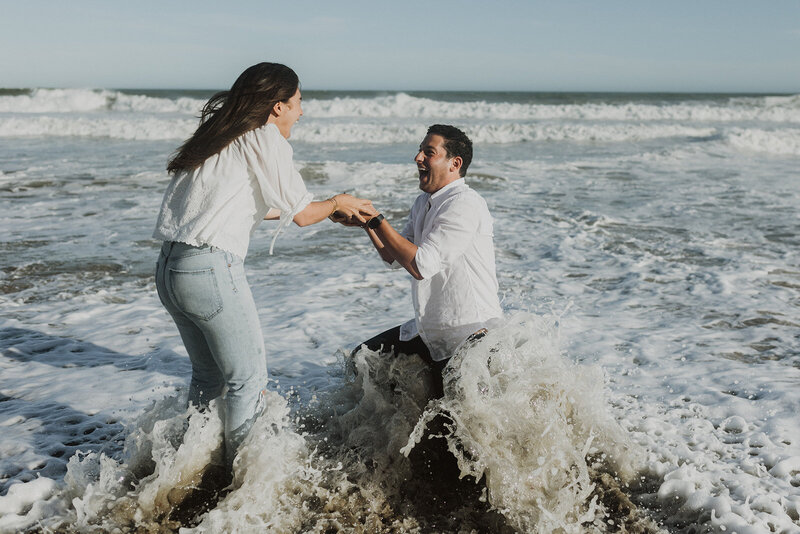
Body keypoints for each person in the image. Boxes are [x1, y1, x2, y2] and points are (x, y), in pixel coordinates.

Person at [153, 62, 375, 466]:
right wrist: (337, 203)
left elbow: (240, 205)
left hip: (171, 269)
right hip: (208, 270)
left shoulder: (219, 136)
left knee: (208, 377)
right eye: (298, 102)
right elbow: (304, 214)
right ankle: (240, 481)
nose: (302, 112)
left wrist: (325, 208)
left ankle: (185, 465)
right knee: (248, 380)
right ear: (277, 107)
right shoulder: (264, 137)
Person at [335, 124, 503, 396]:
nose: (418, 158)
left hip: (470, 335)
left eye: (429, 152)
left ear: (454, 163)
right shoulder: (423, 202)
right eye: (419, 151)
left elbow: (420, 265)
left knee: (450, 426)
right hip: (432, 331)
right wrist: (368, 224)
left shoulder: (465, 204)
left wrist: (378, 219)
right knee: (362, 360)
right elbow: (394, 256)